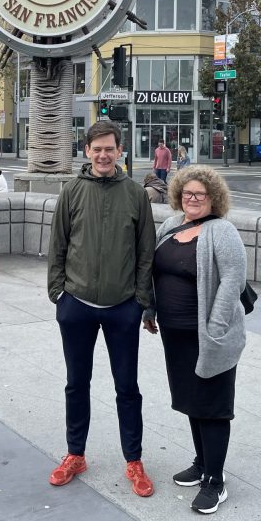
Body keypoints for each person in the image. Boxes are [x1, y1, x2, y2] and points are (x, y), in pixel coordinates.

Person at [47, 120, 156, 498]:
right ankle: (75, 454)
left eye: (110, 148)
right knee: (77, 384)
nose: (104, 155)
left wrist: (142, 301)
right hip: (76, 304)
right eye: (97, 149)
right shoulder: (72, 191)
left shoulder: (135, 194)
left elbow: (146, 252)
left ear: (120, 150)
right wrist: (57, 295)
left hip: (122, 306)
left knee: (127, 387)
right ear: (87, 151)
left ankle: (134, 460)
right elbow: (58, 244)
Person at [145, 166, 247, 515]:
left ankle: (215, 482)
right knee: (191, 400)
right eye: (187, 193)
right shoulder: (171, 226)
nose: (192, 199)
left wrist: (216, 326)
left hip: (210, 337)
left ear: (213, 199)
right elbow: (156, 272)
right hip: (175, 333)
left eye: (200, 195)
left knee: (213, 406)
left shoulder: (223, 231)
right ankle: (201, 462)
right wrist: (151, 309)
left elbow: (233, 280)